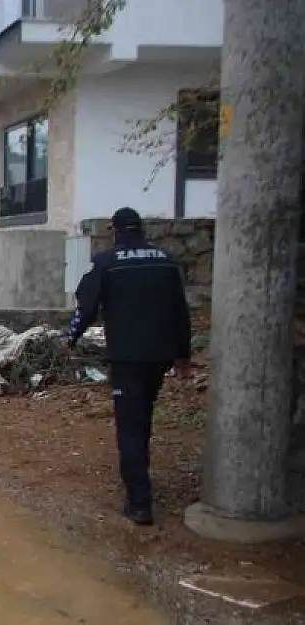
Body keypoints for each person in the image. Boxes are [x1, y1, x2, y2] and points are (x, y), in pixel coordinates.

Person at [63, 207, 192, 526]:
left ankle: (139, 502)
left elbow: (86, 304)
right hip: (160, 356)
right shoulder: (164, 260)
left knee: (130, 426)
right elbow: (180, 310)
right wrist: (183, 355)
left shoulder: (106, 262)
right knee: (144, 416)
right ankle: (141, 478)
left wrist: (70, 337)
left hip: (127, 357)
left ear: (115, 230)